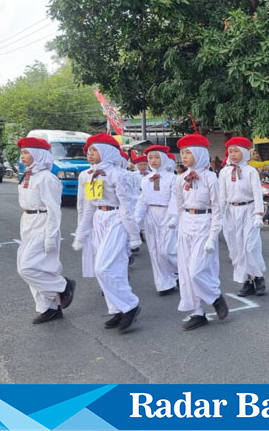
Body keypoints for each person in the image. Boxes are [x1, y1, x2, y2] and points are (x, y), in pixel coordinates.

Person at [73, 133, 143, 333]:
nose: (90, 154)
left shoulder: (117, 174)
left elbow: (126, 207)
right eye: (89, 150)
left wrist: (133, 235)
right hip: (98, 220)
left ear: (106, 152)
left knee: (103, 267)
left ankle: (130, 304)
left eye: (95, 150)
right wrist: (82, 232)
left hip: (116, 221)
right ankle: (118, 309)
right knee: (116, 269)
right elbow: (87, 206)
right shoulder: (87, 175)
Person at [16, 137, 76, 324]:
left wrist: (50, 235)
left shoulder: (47, 178)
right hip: (28, 221)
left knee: (27, 267)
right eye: (23, 152)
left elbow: (53, 210)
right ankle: (49, 308)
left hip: (43, 223)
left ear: (39, 154)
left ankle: (62, 286)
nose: (23, 156)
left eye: (27, 152)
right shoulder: (29, 175)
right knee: (41, 268)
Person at [173, 133, 228, 330]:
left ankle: (215, 297)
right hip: (186, 224)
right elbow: (179, 205)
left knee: (197, 270)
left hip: (204, 223)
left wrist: (213, 237)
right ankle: (197, 312)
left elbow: (217, 209)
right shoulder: (180, 179)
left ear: (199, 153)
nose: (184, 156)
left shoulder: (211, 178)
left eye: (188, 152)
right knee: (186, 273)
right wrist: (179, 227)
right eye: (182, 153)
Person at [219, 137, 266, 296]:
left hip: (249, 210)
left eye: (236, 151)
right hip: (231, 213)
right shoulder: (224, 172)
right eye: (230, 151)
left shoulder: (250, 171)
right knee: (237, 248)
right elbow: (221, 196)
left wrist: (259, 214)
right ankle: (246, 280)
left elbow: (257, 193)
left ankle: (258, 277)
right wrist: (218, 217)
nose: (232, 154)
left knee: (250, 246)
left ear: (244, 152)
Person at [135, 145, 179, 295]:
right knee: (154, 251)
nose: (153, 161)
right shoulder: (146, 179)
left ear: (164, 158)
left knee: (168, 250)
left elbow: (175, 198)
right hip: (151, 215)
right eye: (151, 158)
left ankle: (179, 271)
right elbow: (142, 200)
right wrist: (137, 219)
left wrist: (173, 217)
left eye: (157, 157)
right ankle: (164, 284)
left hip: (167, 214)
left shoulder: (173, 178)